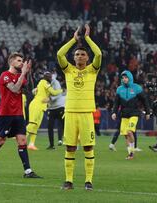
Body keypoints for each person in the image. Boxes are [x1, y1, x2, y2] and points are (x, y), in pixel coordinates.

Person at [0, 52, 42, 179]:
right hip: (6, 114)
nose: (21, 63)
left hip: (18, 114)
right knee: (0, 140)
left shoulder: (21, 75)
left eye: (22, 61)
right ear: (11, 62)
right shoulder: (5, 75)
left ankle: (28, 171)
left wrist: (28, 72)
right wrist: (23, 74)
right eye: (19, 60)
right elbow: (14, 89)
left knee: (22, 141)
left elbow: (30, 90)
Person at [57, 24, 102, 190]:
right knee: (70, 147)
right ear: (74, 58)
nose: (80, 56)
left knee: (88, 147)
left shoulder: (92, 71)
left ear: (87, 58)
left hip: (86, 114)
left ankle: (88, 181)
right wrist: (73, 40)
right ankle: (68, 181)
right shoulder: (68, 70)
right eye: (77, 54)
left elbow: (99, 53)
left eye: (83, 54)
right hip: (70, 113)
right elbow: (60, 54)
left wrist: (88, 39)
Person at [111, 70, 150, 160]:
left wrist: (148, 112)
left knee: (129, 132)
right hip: (124, 115)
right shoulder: (119, 89)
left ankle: (132, 152)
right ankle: (130, 154)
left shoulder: (137, 88)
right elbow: (116, 103)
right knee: (126, 135)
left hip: (134, 114)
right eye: (123, 78)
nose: (124, 79)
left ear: (130, 78)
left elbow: (145, 100)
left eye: (126, 77)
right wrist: (114, 112)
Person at [26, 71, 63, 150]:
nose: (50, 78)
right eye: (49, 76)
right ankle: (21, 137)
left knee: (36, 126)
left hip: (41, 106)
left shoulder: (42, 84)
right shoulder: (43, 82)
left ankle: (31, 144)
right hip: (36, 104)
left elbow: (35, 91)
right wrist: (61, 91)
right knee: (32, 123)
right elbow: (53, 92)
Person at [46, 71, 66, 150]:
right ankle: (51, 145)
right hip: (51, 108)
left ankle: (67, 142)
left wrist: (50, 98)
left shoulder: (56, 83)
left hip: (59, 107)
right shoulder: (46, 83)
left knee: (64, 126)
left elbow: (58, 94)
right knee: (50, 126)